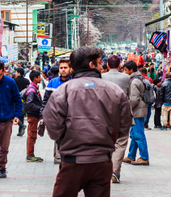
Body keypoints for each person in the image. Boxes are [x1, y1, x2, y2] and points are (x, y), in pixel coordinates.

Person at [43, 47, 131, 197]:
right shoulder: (115, 91)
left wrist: (63, 140)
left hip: (72, 160)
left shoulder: (62, 91)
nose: (102, 66)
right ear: (91, 65)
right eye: (99, 62)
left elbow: (52, 124)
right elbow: (124, 125)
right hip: (102, 161)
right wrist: (109, 139)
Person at [102, 55, 131, 183]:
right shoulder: (126, 77)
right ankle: (115, 171)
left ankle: (106, 170)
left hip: (104, 115)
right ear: (120, 65)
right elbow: (129, 95)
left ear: (107, 65)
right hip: (122, 115)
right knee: (121, 143)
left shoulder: (101, 77)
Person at [42, 59, 72, 164]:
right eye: (61, 68)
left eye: (65, 67)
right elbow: (46, 100)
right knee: (59, 139)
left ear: (70, 69)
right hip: (57, 117)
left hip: (72, 118)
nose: (63, 70)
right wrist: (43, 116)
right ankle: (59, 157)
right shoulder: (52, 83)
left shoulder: (74, 82)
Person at [122, 61, 150, 166]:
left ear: (131, 70)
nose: (124, 72)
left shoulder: (134, 82)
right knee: (134, 134)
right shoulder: (137, 79)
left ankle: (144, 157)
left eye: (125, 70)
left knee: (138, 134)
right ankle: (131, 155)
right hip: (138, 109)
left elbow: (134, 98)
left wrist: (127, 109)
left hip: (137, 110)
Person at [25, 70, 44, 163]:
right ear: (35, 78)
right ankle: (30, 155)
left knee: (33, 134)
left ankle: (31, 154)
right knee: (32, 135)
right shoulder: (32, 90)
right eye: (39, 77)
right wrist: (39, 108)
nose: (41, 78)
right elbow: (29, 103)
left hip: (34, 115)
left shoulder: (34, 88)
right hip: (32, 115)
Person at [14, 67, 30, 136]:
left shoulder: (14, 80)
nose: (15, 73)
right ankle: (20, 131)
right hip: (24, 99)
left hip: (16, 99)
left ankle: (22, 125)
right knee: (22, 114)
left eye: (16, 72)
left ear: (19, 73)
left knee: (14, 114)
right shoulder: (27, 81)